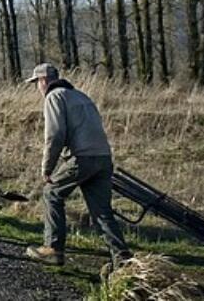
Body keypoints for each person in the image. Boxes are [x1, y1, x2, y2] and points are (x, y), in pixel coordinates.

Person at [24, 63, 131, 268]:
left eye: (36, 82)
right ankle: (122, 258)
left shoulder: (54, 97)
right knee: (102, 212)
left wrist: (47, 168)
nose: (37, 87)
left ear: (44, 80)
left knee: (51, 192)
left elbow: (55, 135)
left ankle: (53, 248)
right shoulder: (81, 96)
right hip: (103, 157)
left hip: (82, 157)